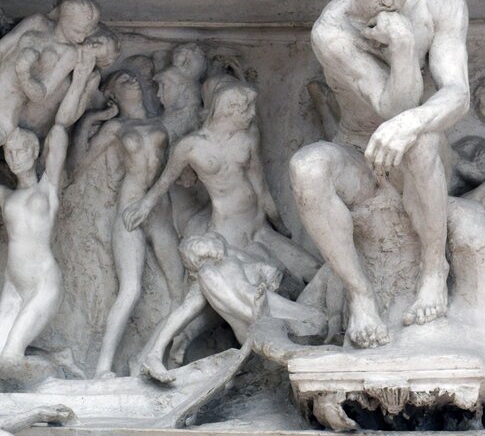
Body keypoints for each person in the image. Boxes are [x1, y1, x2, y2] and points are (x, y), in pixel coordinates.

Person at [288, 0, 469, 348]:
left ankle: (433, 271)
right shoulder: (332, 29)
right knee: (307, 167)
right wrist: (403, 47)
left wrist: (413, 122)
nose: (388, 0)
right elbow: (391, 105)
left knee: (421, 141)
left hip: (419, 148)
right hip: (359, 148)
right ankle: (360, 296)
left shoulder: (443, 2)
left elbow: (457, 94)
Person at [122, 77, 319, 287]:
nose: (253, 114)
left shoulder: (249, 136)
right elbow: (166, 180)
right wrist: (144, 205)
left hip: (258, 225)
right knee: (268, 284)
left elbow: (261, 187)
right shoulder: (190, 146)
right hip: (228, 231)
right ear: (228, 110)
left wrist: (280, 226)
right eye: (247, 109)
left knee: (313, 269)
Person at [71, 70, 185, 378]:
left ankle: (150, 357)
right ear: (112, 95)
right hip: (130, 208)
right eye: (123, 80)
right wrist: (88, 122)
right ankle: (102, 368)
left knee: (180, 292)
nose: (132, 81)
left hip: (160, 211)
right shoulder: (116, 127)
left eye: (134, 77)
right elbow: (78, 165)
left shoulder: (163, 122)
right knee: (131, 289)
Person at [139, 232, 326, 384]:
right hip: (268, 323)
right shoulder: (213, 271)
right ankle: (260, 316)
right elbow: (185, 312)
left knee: (318, 304)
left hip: (284, 317)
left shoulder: (229, 261)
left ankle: (260, 317)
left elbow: (184, 312)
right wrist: (155, 352)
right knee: (213, 275)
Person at [0, 69, 88, 378]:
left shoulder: (47, 188)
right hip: (13, 285)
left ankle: (59, 371)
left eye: (22, 150)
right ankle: (59, 356)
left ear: (35, 151)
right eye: (9, 153)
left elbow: (60, 131)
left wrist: (80, 77)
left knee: (9, 362)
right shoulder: (6, 196)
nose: (15, 158)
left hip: (42, 283)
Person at [0, 0, 107, 146]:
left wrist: (24, 74)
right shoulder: (37, 21)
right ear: (64, 19)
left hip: (7, 109)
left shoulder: (70, 53)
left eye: (86, 32)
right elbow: (3, 47)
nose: (81, 38)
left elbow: (41, 94)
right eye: (77, 31)